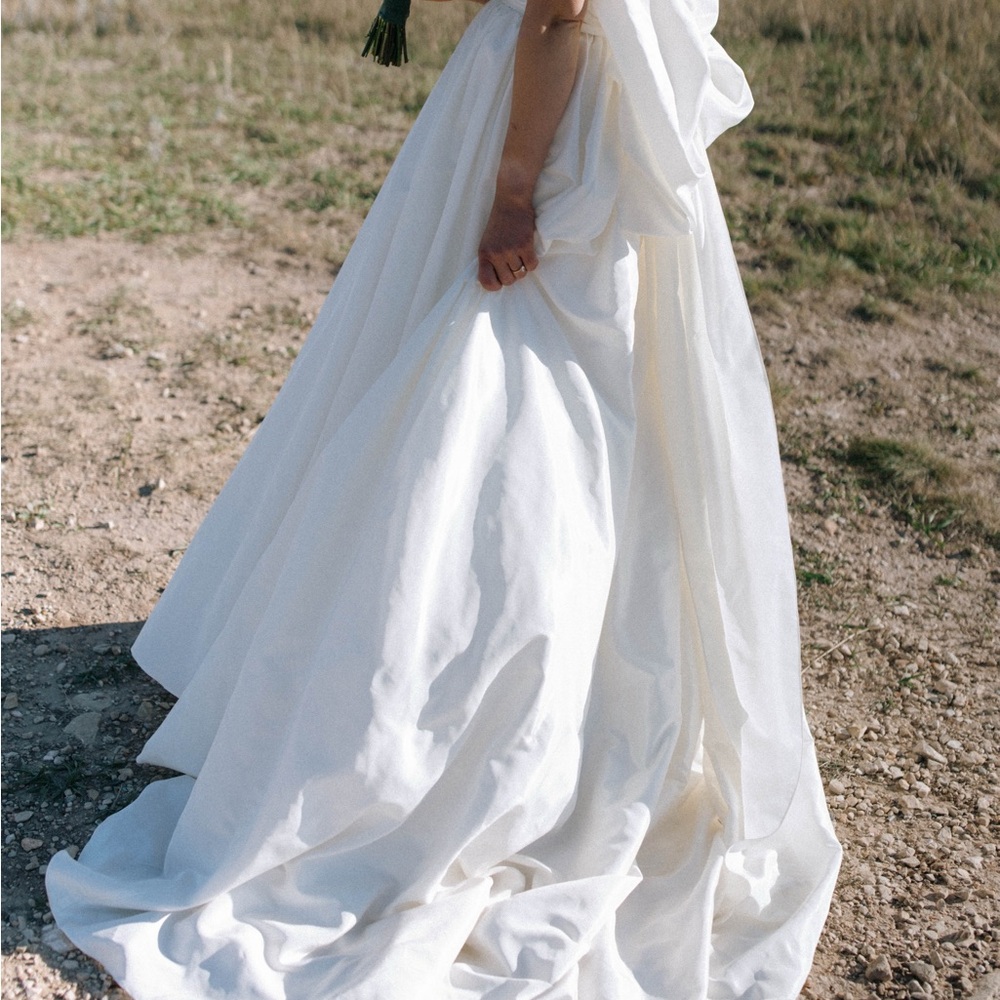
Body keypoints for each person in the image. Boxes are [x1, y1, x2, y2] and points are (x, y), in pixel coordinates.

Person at [46, 0, 842, 996]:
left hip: (553, 127)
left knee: (499, 403)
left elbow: (556, 15)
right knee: (606, 418)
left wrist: (513, 194)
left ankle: (434, 716)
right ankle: (598, 681)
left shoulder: (537, 116)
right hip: (591, 115)